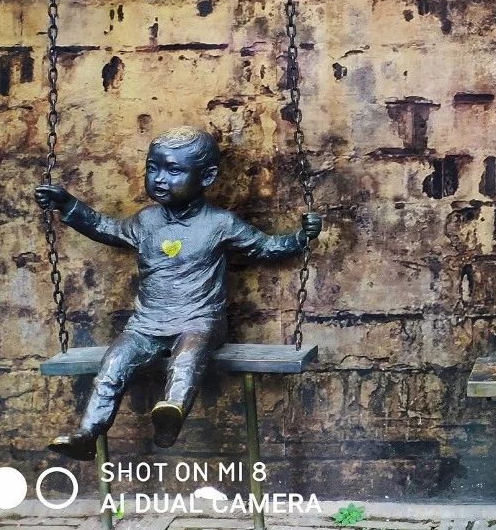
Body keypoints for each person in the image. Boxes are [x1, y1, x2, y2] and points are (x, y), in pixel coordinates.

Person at [34, 126, 321, 460]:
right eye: (152, 168)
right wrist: (68, 205)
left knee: (186, 360)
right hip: (146, 324)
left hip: (199, 321)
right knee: (112, 365)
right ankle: (87, 434)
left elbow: (265, 247)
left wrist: (301, 237)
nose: (159, 179)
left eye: (173, 170)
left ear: (206, 176)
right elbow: (104, 227)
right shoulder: (145, 222)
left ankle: (171, 415)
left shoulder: (220, 224)